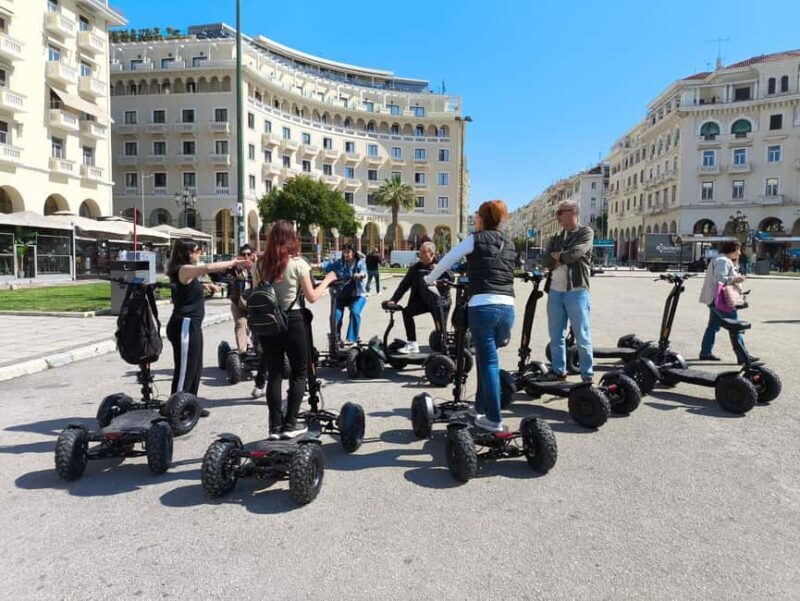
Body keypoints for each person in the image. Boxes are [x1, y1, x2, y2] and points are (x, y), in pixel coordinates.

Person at [424, 200, 517, 433]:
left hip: (483, 307)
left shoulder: (476, 238)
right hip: (508, 308)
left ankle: (494, 420)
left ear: (482, 218)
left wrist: (429, 279)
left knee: (489, 364)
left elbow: (447, 260)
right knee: (487, 360)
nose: (475, 218)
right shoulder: (510, 243)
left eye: (477, 215)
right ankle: (479, 408)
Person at [254, 220, 337, 439]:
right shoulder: (299, 264)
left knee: (275, 374)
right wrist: (328, 280)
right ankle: (290, 424)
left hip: (268, 323)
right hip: (293, 320)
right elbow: (312, 297)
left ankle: (274, 427)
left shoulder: (260, 264)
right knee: (299, 373)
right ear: (292, 239)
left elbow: (256, 296)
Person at [165, 239, 252, 409]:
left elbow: (188, 287)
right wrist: (234, 262)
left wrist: (205, 286)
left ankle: (191, 404)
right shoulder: (183, 268)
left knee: (196, 366)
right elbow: (208, 268)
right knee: (185, 369)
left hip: (193, 326)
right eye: (197, 250)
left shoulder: (187, 272)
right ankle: (176, 408)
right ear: (188, 253)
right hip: (184, 325)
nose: (200, 253)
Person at [542, 199, 595, 383]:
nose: (557, 216)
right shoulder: (556, 237)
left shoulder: (585, 232)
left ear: (573, 212)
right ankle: (558, 371)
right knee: (556, 335)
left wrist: (559, 257)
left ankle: (587, 375)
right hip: (555, 291)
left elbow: (576, 253)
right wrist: (556, 258)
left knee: (582, 334)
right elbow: (545, 260)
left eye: (560, 212)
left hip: (577, 291)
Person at [384, 241, 451, 354]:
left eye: (423, 252)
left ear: (432, 254)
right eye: (420, 251)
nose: (420, 254)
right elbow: (404, 285)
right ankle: (412, 344)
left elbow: (450, 279)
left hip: (440, 303)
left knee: (440, 331)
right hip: (424, 302)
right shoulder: (415, 268)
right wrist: (394, 300)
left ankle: (445, 354)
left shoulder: (441, 266)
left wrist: (438, 277)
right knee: (407, 312)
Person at [698, 240, 756, 364]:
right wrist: (736, 279)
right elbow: (720, 278)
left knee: (713, 327)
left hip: (714, 299)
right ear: (731, 250)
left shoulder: (719, 259)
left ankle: (705, 352)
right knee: (735, 327)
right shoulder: (723, 261)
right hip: (721, 300)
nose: (739, 253)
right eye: (738, 250)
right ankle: (743, 356)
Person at [322, 243, 367, 345]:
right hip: (341, 295)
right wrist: (315, 265)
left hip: (357, 295)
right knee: (335, 316)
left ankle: (351, 339)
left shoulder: (360, 262)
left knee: (355, 312)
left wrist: (360, 275)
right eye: (344, 252)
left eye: (348, 252)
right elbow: (328, 266)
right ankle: (336, 339)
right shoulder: (340, 263)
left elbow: (364, 272)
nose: (346, 254)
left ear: (354, 252)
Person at [228, 244, 254, 354]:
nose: (246, 257)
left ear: (253, 255)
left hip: (255, 304)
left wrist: (254, 266)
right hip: (238, 303)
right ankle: (242, 353)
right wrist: (234, 263)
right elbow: (221, 272)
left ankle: (259, 349)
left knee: (258, 326)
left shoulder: (258, 268)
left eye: (249, 254)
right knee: (241, 324)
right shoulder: (235, 269)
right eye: (243, 254)